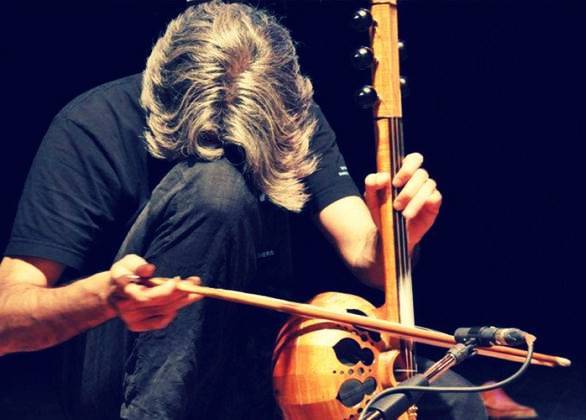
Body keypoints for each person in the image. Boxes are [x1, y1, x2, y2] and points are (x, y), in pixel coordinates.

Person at [0, 1, 485, 419]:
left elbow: (368, 259)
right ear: (160, 94)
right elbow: (6, 322)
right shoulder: (92, 126)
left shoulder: (290, 116)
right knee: (217, 191)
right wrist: (102, 297)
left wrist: (398, 235)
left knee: (454, 404)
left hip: (253, 360)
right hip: (130, 372)